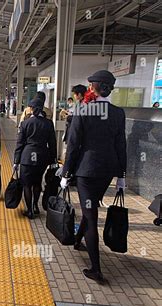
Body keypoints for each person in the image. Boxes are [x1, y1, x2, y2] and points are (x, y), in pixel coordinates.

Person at [60, 70, 127, 283]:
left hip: (86, 172)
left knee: (90, 217)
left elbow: (73, 145)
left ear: (93, 88)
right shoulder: (118, 113)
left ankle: (96, 269)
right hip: (106, 172)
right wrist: (121, 176)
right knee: (90, 209)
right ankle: (78, 241)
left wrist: (65, 173)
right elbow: (120, 146)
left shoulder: (83, 110)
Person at [14, 97, 57, 219]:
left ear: (31, 109)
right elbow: (52, 143)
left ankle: (29, 210)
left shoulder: (25, 123)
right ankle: (35, 206)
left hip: (27, 157)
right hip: (43, 156)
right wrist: (53, 160)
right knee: (37, 182)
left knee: (27, 185)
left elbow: (20, 143)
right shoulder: (48, 123)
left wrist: (16, 161)